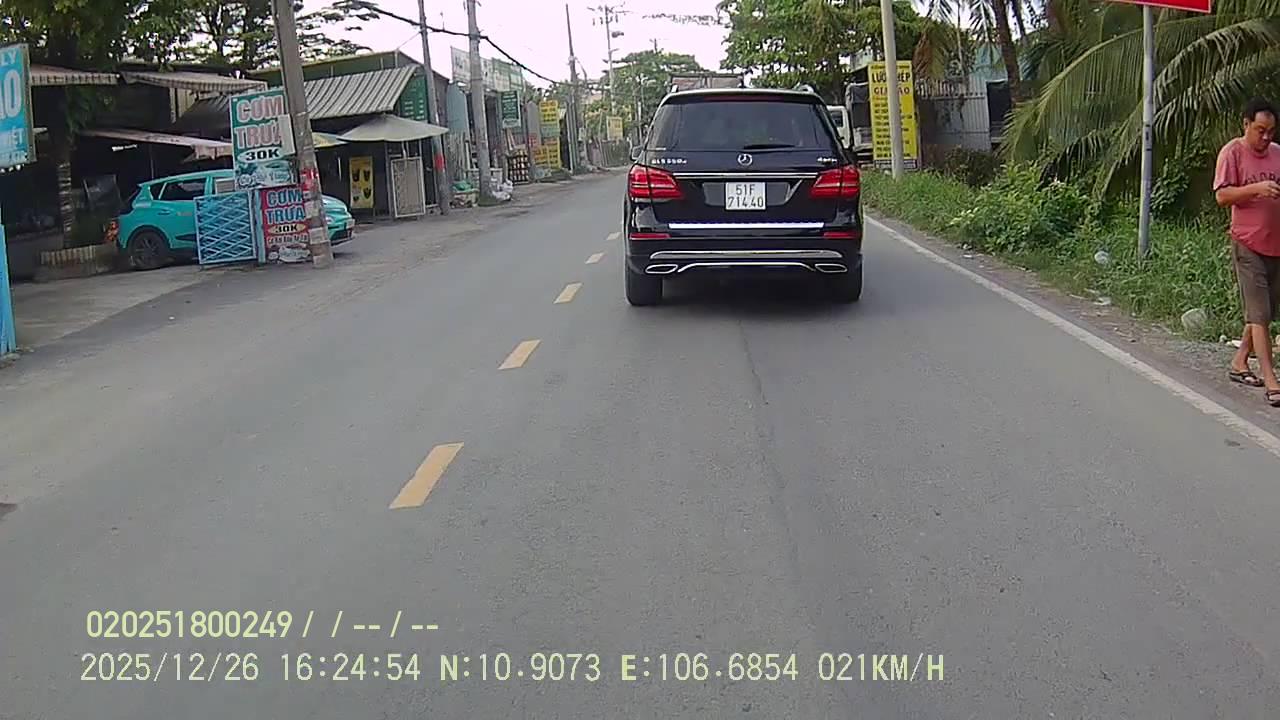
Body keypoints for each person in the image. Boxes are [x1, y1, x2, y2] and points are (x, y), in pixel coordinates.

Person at [1216, 98, 1280, 406]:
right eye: (1260, 130)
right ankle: (1271, 380)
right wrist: (1256, 189)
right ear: (1246, 124)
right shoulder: (1233, 152)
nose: (1265, 137)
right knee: (1261, 316)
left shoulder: (1278, 154)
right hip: (1248, 243)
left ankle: (1240, 360)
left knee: (1263, 311)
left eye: (1271, 131)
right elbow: (1222, 195)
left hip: (1275, 245)